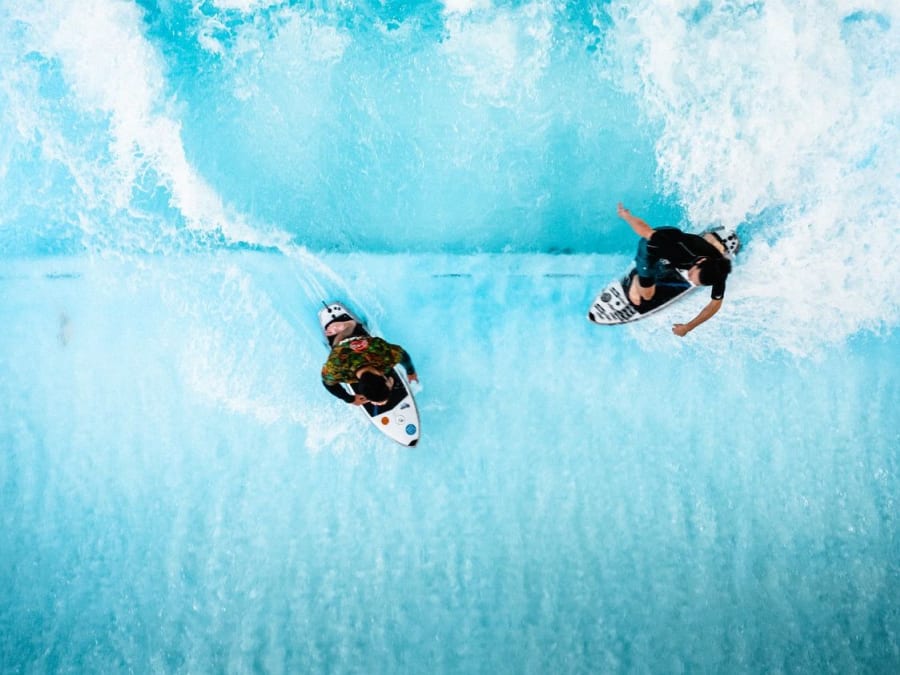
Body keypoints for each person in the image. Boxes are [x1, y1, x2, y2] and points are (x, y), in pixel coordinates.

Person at [617, 202, 739, 336]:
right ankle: (637, 278)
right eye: (693, 275)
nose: (691, 280)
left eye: (696, 282)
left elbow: (715, 304)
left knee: (683, 260)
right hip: (651, 248)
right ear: (701, 261)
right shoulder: (677, 247)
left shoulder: (717, 270)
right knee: (646, 296)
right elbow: (645, 231)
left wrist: (688, 327)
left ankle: (712, 239)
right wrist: (627, 216)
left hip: (682, 248)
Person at [321, 318, 418, 406]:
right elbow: (327, 383)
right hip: (358, 343)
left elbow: (402, 354)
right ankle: (350, 326)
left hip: (358, 345)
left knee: (338, 348)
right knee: (337, 348)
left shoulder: (384, 356)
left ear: (382, 375)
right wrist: (349, 399)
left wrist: (411, 372)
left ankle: (350, 325)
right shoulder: (336, 367)